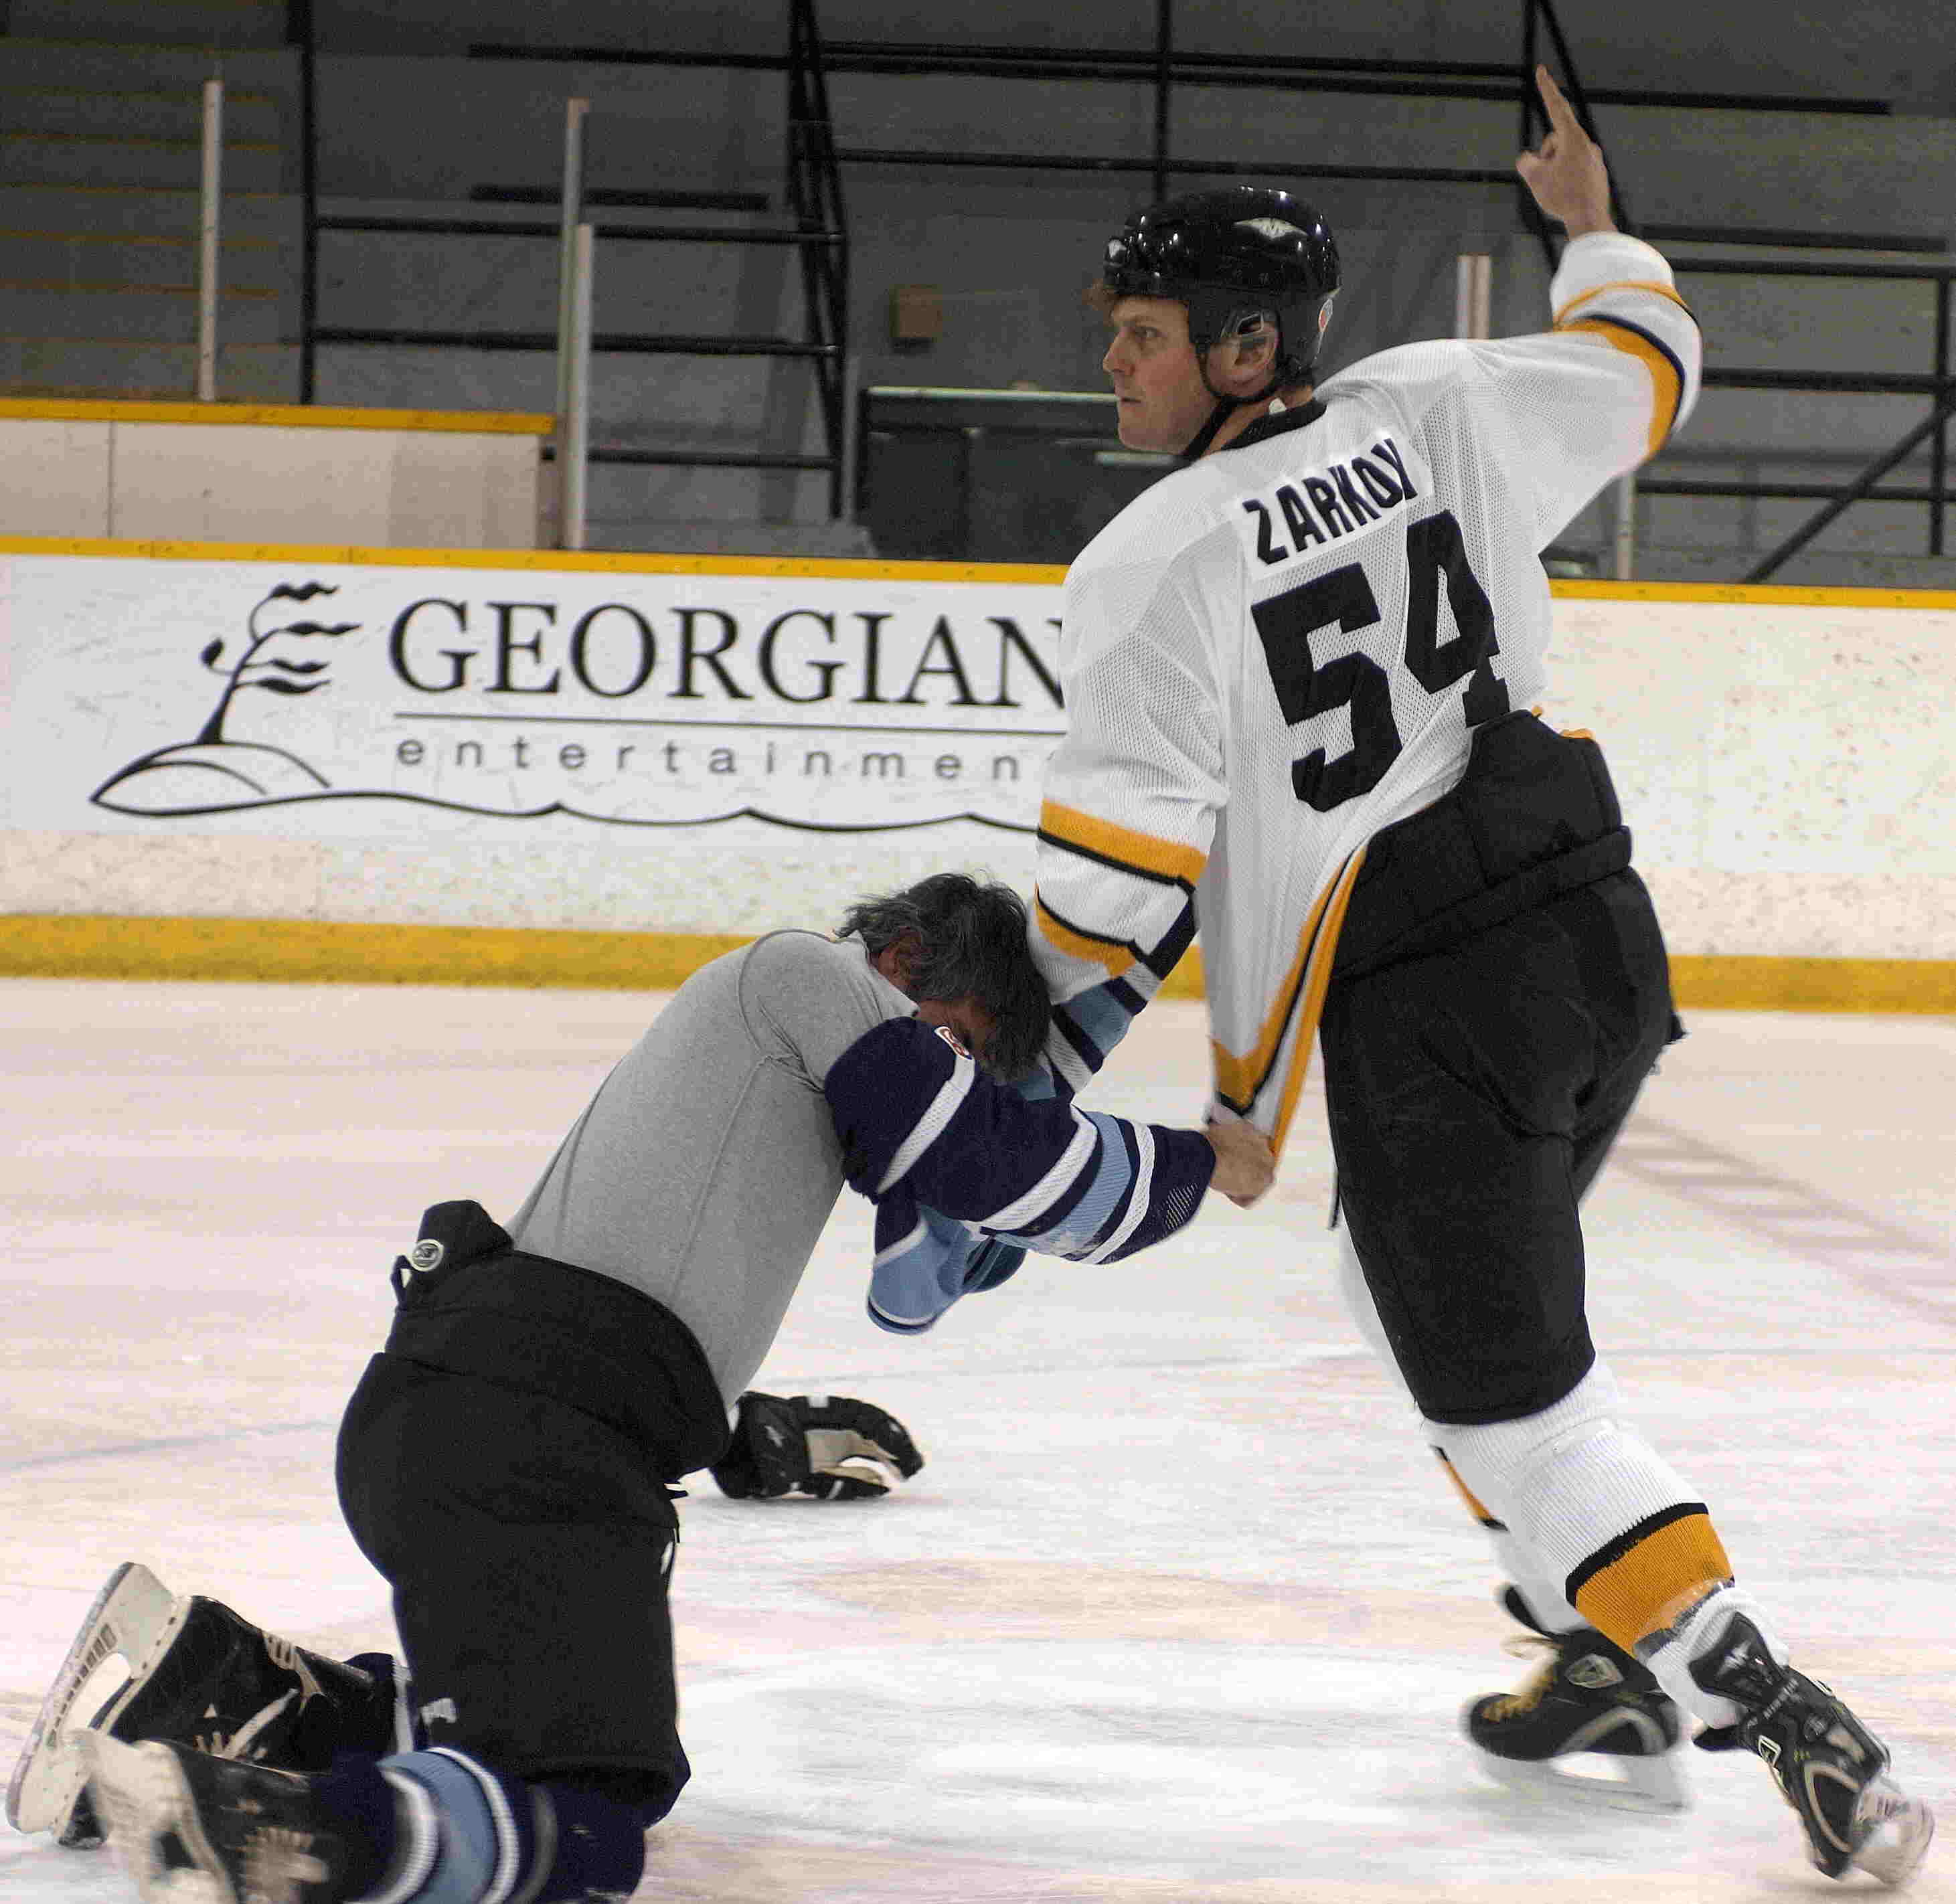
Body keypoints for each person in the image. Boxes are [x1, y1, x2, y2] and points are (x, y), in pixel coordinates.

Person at [1021, 66, 1933, 1888]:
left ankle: (1782, 1709)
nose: (1111, 364)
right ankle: (1602, 1654)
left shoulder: (1145, 562)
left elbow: (1113, 894)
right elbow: (1651, 355)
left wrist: (992, 1060)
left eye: (1140, 334)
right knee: (1403, 1285)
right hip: (1595, 937)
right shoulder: (1439, 403)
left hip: (1438, 1002)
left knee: (1513, 1399)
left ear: (1241, 344)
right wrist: (1587, 213)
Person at [30, 871, 1274, 1904]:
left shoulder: (771, 1054)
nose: (947, 1073)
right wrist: (1199, 1161)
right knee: (582, 1821)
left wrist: (747, 1434)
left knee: (607, 1758)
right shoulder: (810, 976)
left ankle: (216, 1687)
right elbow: (985, 1158)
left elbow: (768, 1268)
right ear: (897, 959)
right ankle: (268, 1830)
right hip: (529, 1440)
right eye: (951, 1041)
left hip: (503, 1422)